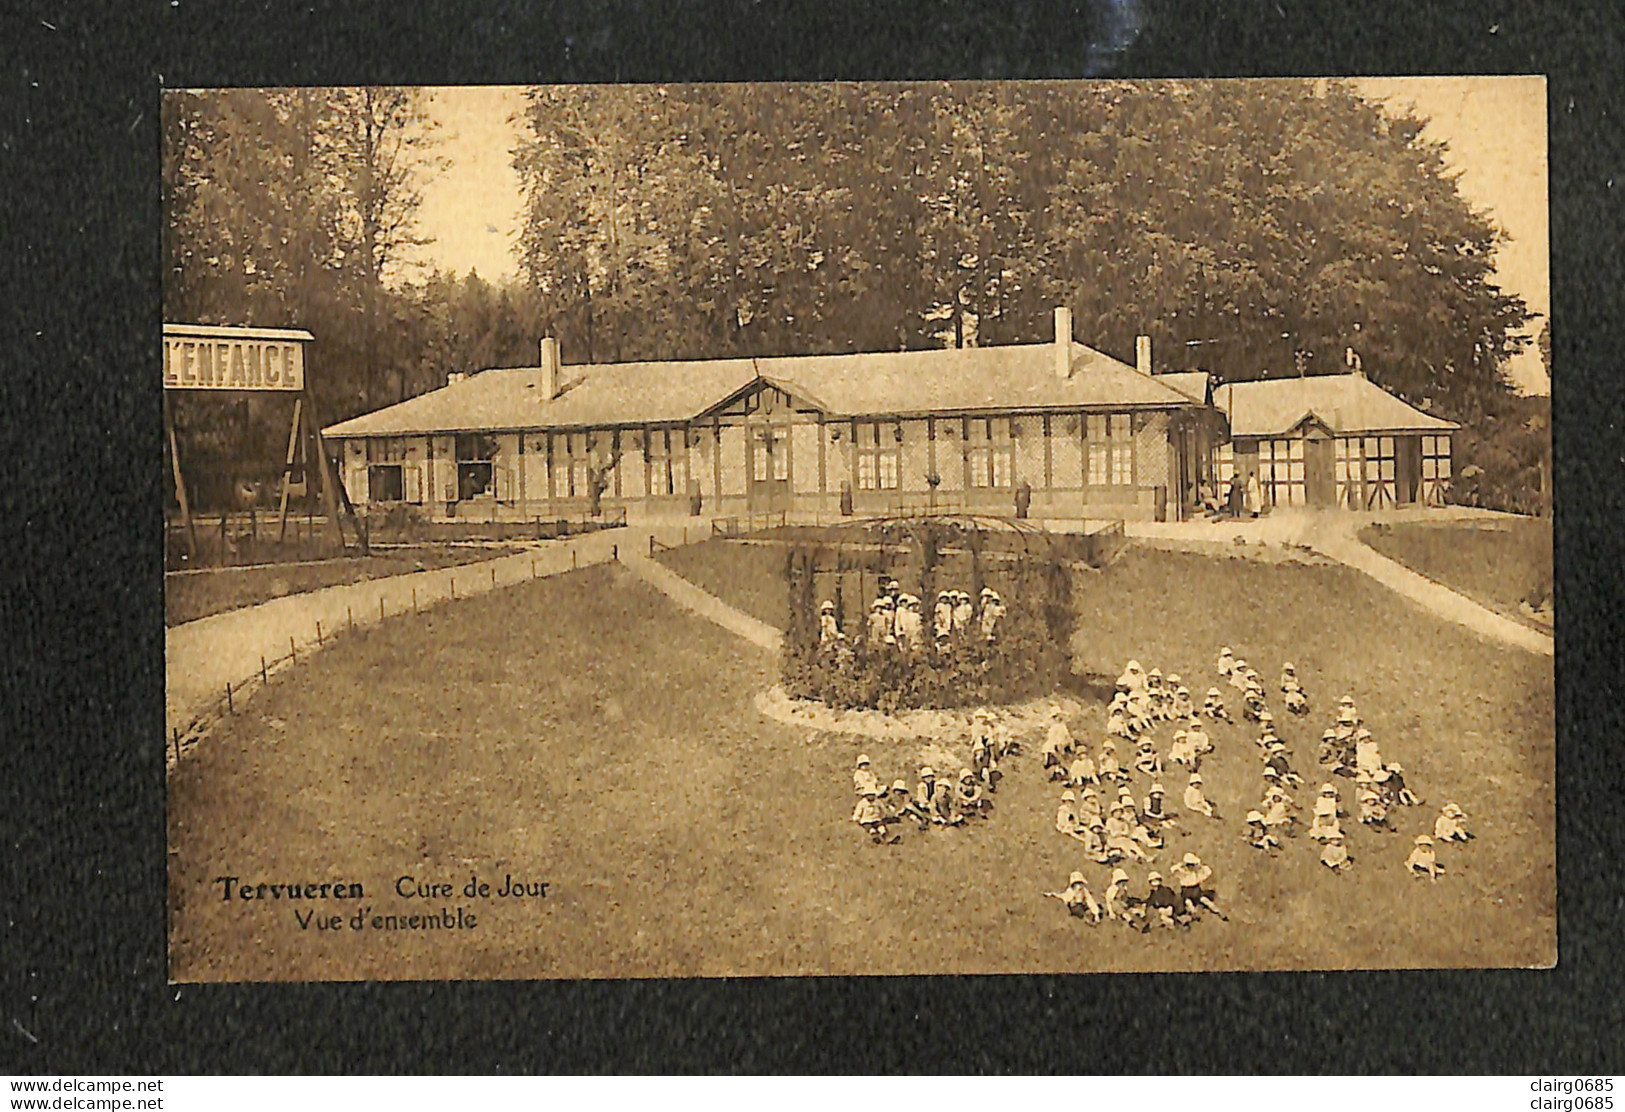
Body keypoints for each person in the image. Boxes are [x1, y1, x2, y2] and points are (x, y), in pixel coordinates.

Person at [1172, 852, 1227, 920]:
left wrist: (1199, 866)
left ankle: (1218, 911)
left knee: (1205, 900)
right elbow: (1173, 869)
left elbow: (1208, 871)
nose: (1191, 866)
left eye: (1192, 864)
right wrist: (1181, 865)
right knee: (1189, 903)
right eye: (1189, 864)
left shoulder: (1197, 873)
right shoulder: (1182, 873)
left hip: (1196, 891)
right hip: (1187, 892)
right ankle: (1195, 914)